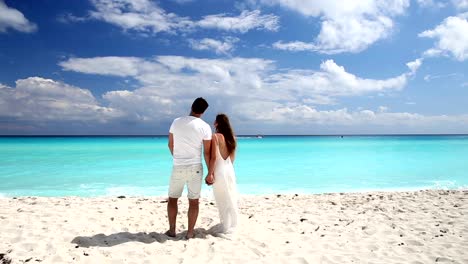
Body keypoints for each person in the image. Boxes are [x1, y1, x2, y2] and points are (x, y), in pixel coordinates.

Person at [167, 97, 212, 239]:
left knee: (173, 199)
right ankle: (190, 232)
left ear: (191, 107)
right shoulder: (205, 126)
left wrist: (178, 158)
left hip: (178, 166)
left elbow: (170, 145)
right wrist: (210, 172)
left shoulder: (176, 121)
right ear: (203, 112)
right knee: (194, 201)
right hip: (195, 167)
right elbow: (207, 152)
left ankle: (172, 230)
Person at [205, 114, 238, 234]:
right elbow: (232, 159)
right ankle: (231, 223)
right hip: (229, 170)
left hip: (219, 171)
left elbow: (213, 157)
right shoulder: (233, 138)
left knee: (222, 198)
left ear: (217, 123)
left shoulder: (215, 137)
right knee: (230, 196)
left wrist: (210, 173)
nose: (214, 122)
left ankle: (226, 225)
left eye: (215, 121)